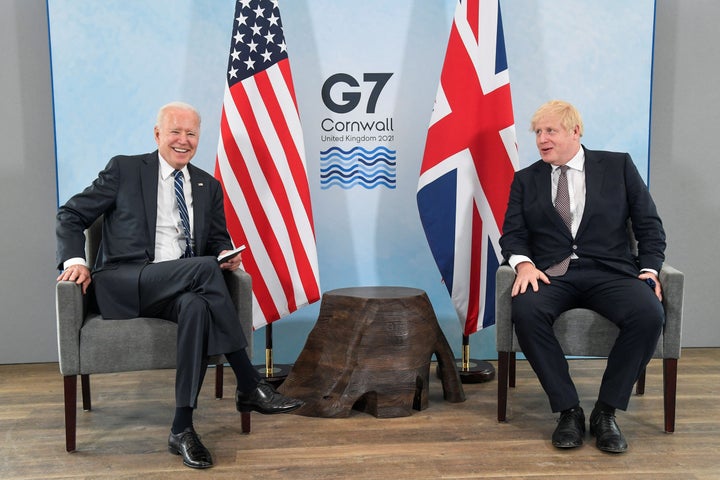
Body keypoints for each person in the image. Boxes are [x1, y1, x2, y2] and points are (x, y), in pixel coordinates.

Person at [55, 101, 303, 469]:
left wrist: (224, 254)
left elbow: (218, 239)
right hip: (123, 282)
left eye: (191, 133)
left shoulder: (208, 185)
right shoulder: (124, 169)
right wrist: (76, 260)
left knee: (197, 306)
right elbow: (70, 214)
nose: (183, 140)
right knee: (204, 271)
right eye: (175, 131)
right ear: (158, 134)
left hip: (177, 289)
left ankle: (182, 427)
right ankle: (249, 383)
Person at [499, 100, 666, 453]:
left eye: (550, 131)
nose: (542, 139)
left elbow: (649, 225)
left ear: (575, 132)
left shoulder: (618, 166)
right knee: (526, 311)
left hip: (610, 272)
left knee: (649, 313)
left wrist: (649, 269)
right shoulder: (526, 179)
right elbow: (512, 235)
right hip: (551, 275)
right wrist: (524, 264)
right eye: (538, 133)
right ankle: (568, 410)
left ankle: (606, 412)